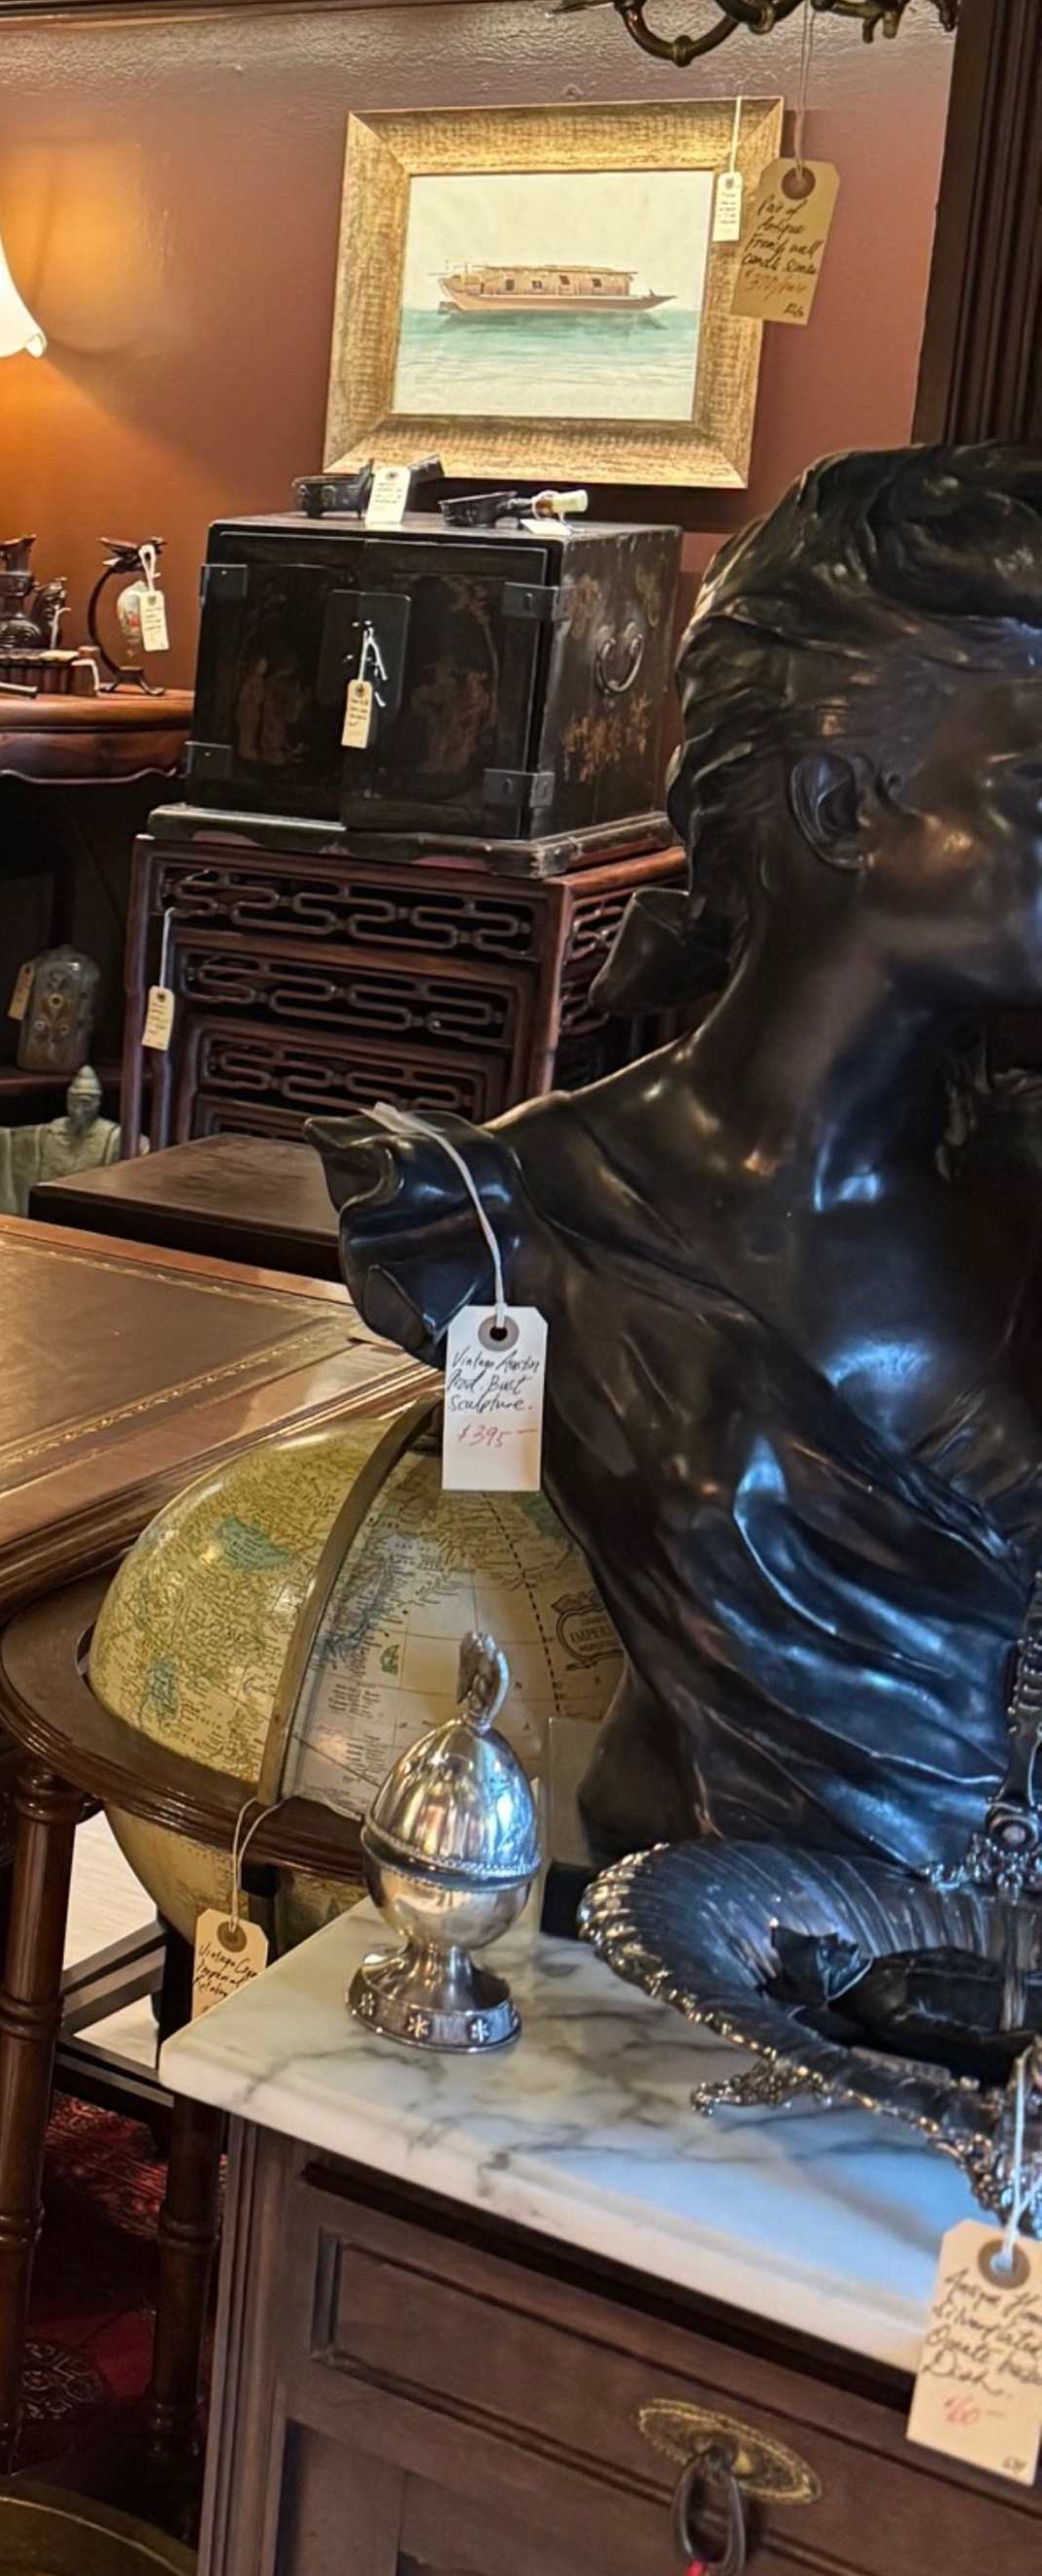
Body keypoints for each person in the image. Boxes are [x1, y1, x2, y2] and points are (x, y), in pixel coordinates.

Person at [330, 447, 1042, 1871]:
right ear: (845, 809)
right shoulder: (508, 1218)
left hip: (984, 2000)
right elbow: (493, 1545)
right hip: (686, 1939)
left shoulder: (1015, 1194)